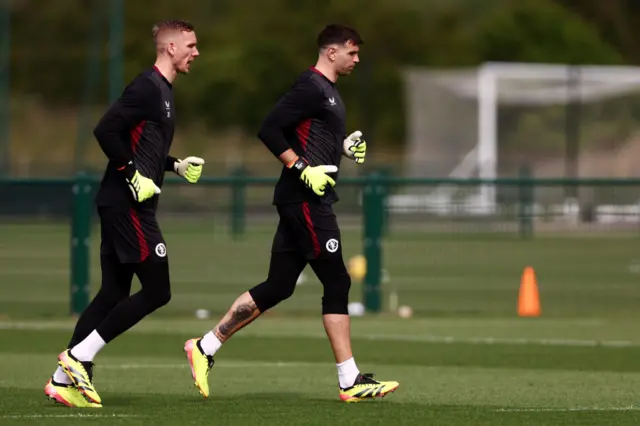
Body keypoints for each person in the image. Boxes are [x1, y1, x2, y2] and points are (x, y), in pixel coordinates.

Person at [183, 23, 399, 403]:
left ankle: (205, 347)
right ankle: (350, 380)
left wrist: (343, 149)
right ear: (331, 52)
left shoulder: (328, 92)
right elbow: (269, 130)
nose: (357, 59)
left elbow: (310, 138)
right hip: (305, 201)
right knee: (338, 282)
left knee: (280, 286)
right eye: (352, 52)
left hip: (303, 200)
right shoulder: (311, 86)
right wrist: (301, 169)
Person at [44, 19, 204, 408]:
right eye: (191, 46)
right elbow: (105, 132)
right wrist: (131, 175)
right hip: (126, 205)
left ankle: (62, 379)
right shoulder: (146, 86)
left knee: (114, 292)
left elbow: (140, 146)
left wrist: (174, 165)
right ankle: (80, 357)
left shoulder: (163, 91)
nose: (196, 53)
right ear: (170, 48)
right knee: (157, 290)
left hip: (125, 203)